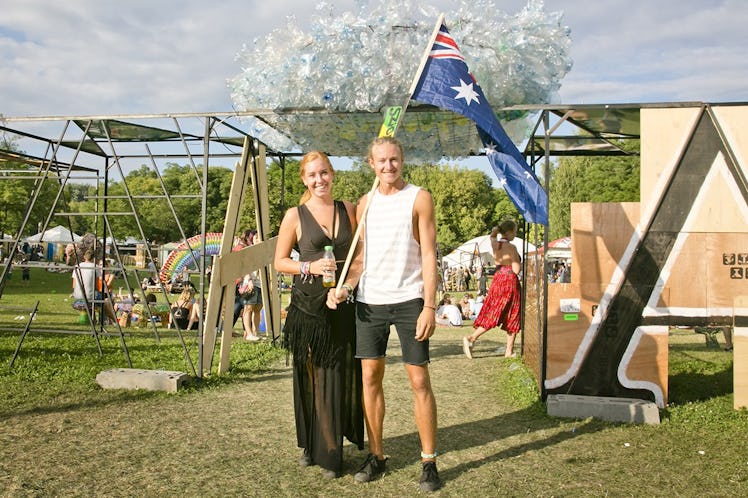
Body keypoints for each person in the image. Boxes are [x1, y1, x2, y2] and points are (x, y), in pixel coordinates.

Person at [332, 136, 441, 492]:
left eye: (394, 160)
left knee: (419, 381)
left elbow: (428, 254)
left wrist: (429, 304)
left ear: (402, 160)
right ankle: (376, 455)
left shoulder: (419, 198)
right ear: (371, 163)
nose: (388, 166)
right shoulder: (365, 204)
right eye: (382, 161)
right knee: (370, 379)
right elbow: (360, 259)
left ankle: (428, 461)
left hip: (411, 300)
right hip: (370, 302)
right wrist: (345, 287)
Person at [274, 150, 364, 479]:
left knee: (335, 375)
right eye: (312, 175)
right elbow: (280, 262)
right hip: (307, 308)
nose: (319, 180)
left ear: (332, 174)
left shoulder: (349, 210)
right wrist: (308, 266)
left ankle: (329, 448)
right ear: (304, 179)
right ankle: (315, 448)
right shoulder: (294, 216)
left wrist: (348, 286)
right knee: (312, 376)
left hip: (340, 305)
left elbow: (358, 255)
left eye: (323, 173)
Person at [463, 220, 522, 359]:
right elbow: (516, 269)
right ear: (509, 232)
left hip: (497, 280)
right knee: (513, 314)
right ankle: (507, 350)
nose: (515, 234)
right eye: (514, 231)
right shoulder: (511, 247)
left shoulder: (495, 244)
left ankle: (473, 338)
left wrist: (495, 231)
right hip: (509, 281)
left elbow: (492, 236)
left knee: (493, 311)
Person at [238, 272, 262, 341]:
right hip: (250, 284)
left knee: (257, 310)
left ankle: (256, 333)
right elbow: (245, 268)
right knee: (248, 309)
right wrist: (249, 280)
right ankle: (249, 334)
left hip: (261, 284)